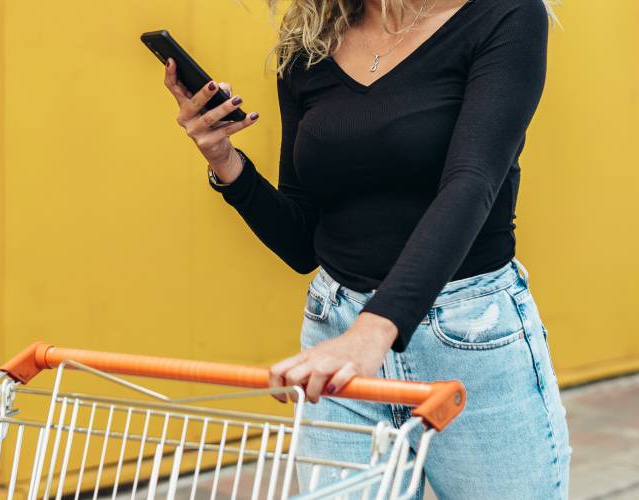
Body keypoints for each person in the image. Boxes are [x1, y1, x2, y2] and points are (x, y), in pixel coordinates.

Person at [160, 0, 570, 497]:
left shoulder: (505, 16)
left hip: (467, 337)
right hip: (337, 332)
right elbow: (301, 240)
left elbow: (473, 182)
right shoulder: (311, 43)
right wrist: (225, 160)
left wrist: (374, 331)